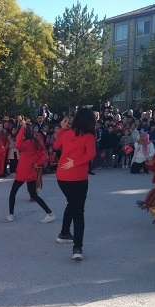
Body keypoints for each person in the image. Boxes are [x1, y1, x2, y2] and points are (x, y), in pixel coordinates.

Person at [53, 108, 97, 261]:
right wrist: (75, 163)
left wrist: (62, 129)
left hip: (62, 176)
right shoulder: (89, 136)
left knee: (72, 204)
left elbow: (56, 146)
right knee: (78, 211)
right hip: (77, 176)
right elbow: (91, 154)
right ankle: (77, 247)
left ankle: (64, 233)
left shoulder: (66, 134)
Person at [7, 124, 55, 224]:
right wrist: (38, 163)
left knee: (13, 192)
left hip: (23, 170)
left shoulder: (27, 143)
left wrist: (22, 128)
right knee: (34, 194)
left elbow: (17, 144)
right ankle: (49, 213)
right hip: (31, 170)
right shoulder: (37, 142)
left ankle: (11, 214)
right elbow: (43, 154)